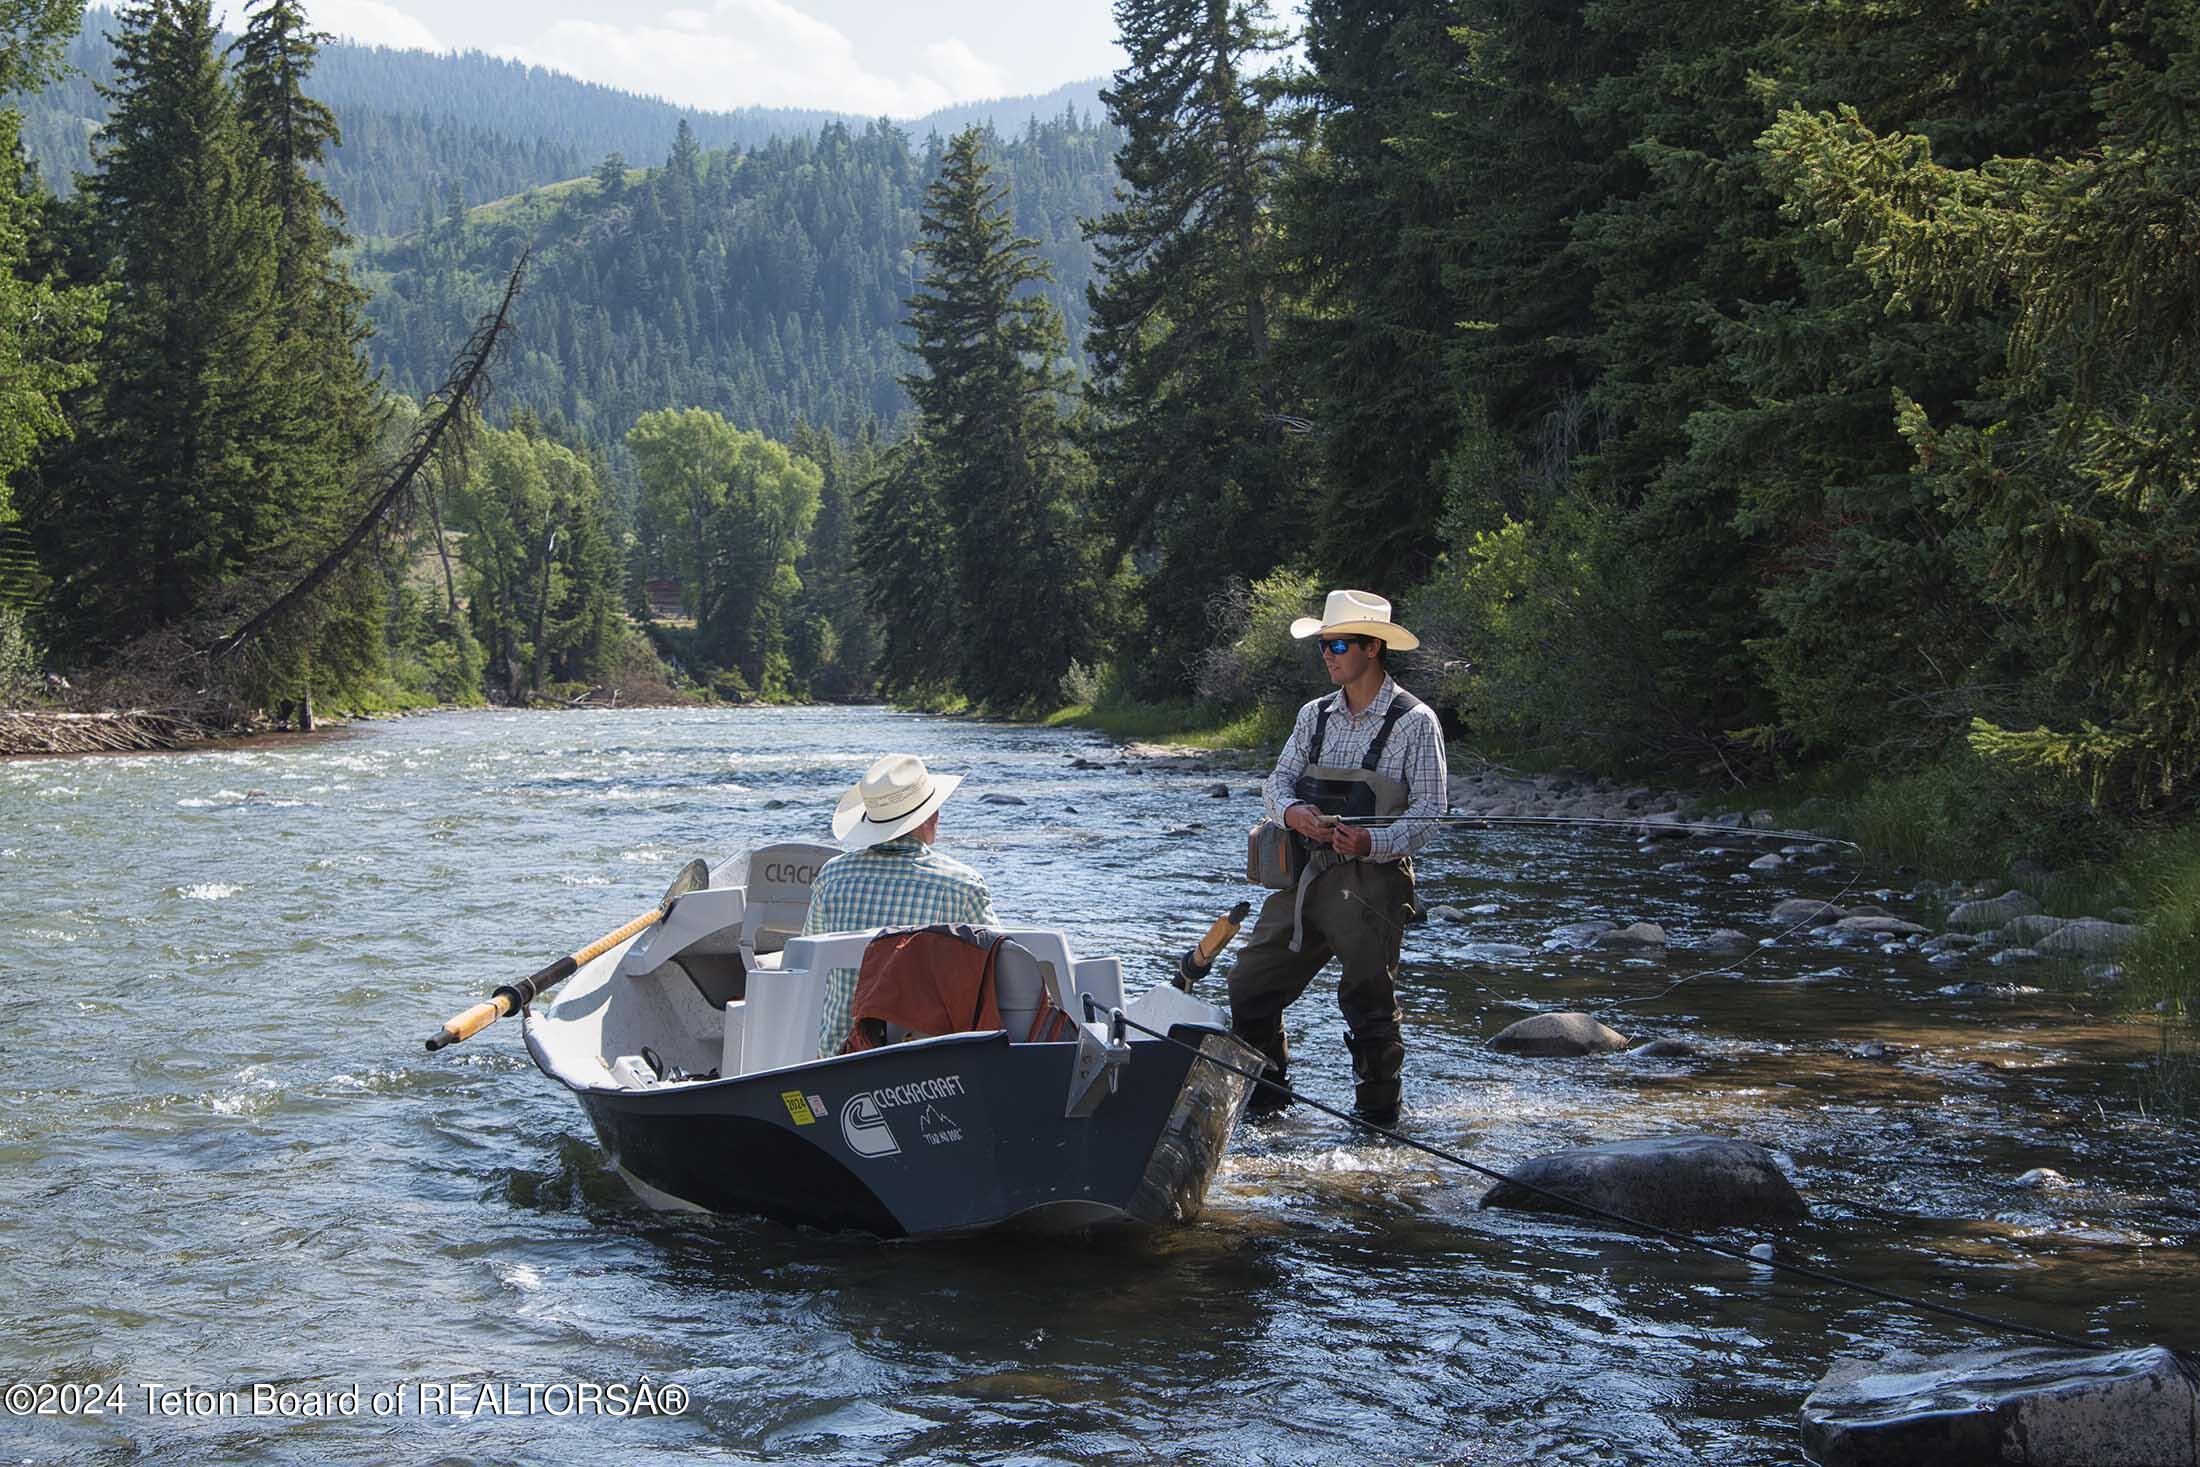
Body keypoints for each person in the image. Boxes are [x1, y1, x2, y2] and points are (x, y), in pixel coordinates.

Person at [1225, 589, 1448, 1128]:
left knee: (1367, 1000)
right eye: (1324, 644)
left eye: (1339, 644)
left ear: (1373, 648)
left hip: (1373, 885)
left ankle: (1376, 1119)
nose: (1328, 654)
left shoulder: (1416, 722)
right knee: (1249, 986)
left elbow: (1432, 812)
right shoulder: (1314, 715)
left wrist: (1374, 843)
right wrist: (1293, 812)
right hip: (1303, 880)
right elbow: (1275, 783)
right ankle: (1269, 1104)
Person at [805, 753, 998, 1056]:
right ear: (929, 816)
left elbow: (808, 958)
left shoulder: (832, 875)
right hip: (926, 1060)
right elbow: (998, 970)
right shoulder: (962, 884)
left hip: (836, 1054)